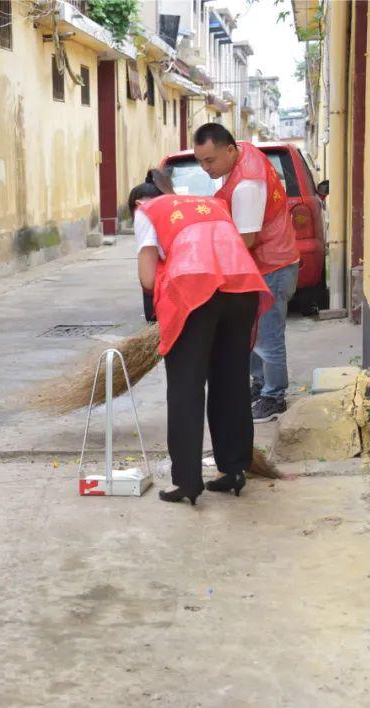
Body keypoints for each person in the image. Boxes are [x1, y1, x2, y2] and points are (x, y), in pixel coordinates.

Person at [131, 177, 273, 505]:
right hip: (241, 287)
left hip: (195, 292)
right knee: (231, 382)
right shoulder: (210, 204)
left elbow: (148, 278)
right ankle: (234, 470)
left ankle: (188, 481)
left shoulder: (146, 212)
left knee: (186, 387)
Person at [193, 124, 301, 422]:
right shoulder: (241, 151)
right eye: (200, 160)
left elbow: (246, 240)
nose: (205, 168)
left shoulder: (247, 186)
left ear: (229, 150)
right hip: (262, 264)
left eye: (210, 161)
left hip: (273, 265)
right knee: (253, 331)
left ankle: (274, 396)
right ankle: (260, 386)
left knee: (268, 336)